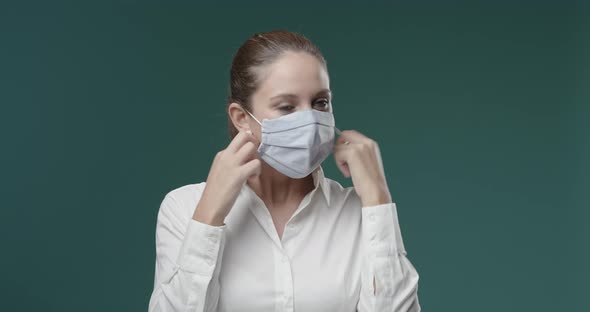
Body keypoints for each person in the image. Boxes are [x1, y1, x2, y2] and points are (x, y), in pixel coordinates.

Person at [148, 30, 421, 312]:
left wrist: (378, 198)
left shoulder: (357, 213)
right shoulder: (184, 208)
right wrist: (208, 218)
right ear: (242, 118)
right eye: (287, 107)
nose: (310, 120)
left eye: (320, 103)